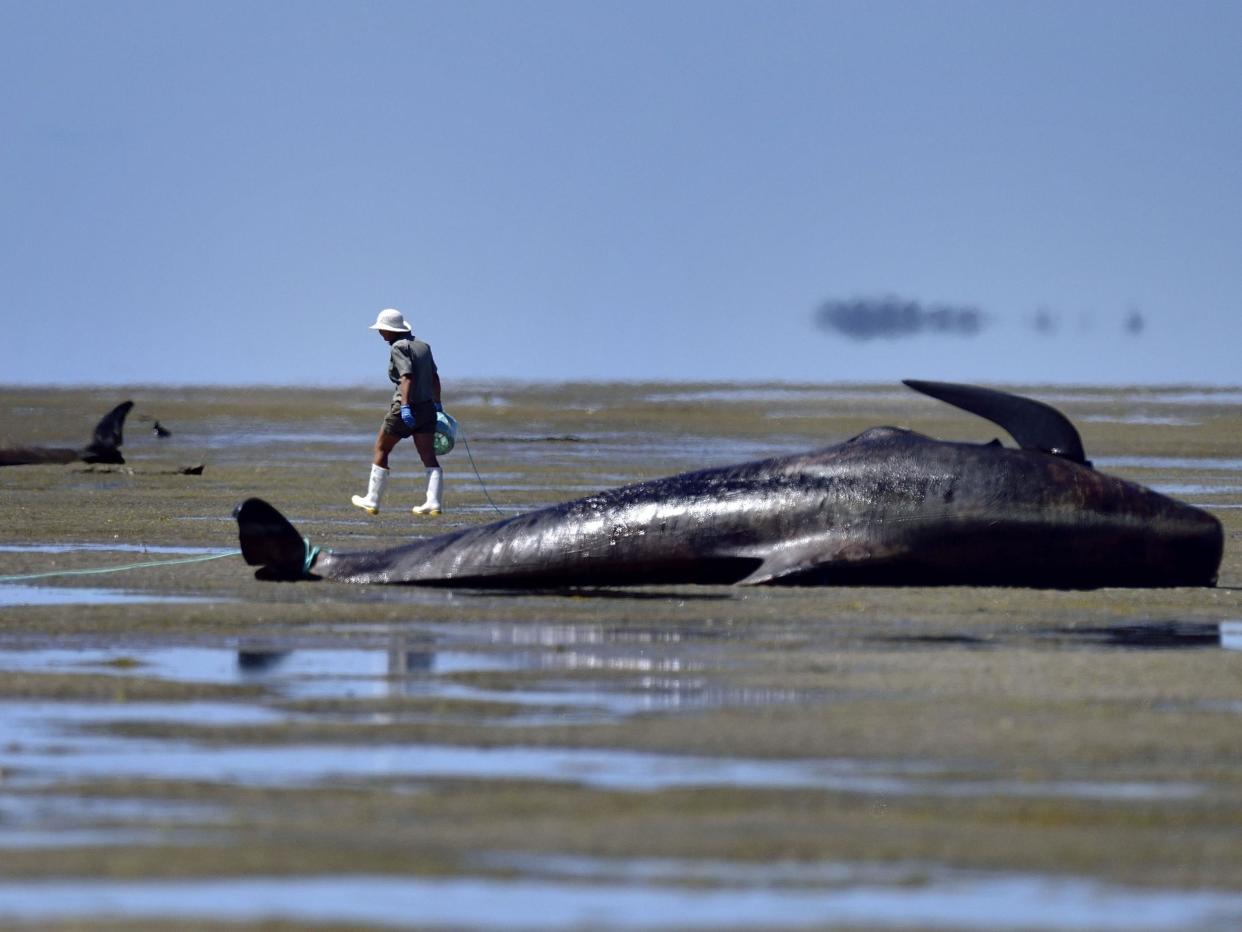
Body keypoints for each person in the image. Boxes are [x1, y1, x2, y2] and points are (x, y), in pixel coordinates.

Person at [350, 308, 445, 516]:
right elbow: (435, 378)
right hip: (427, 407)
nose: (380, 333)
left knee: (381, 448)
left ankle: (372, 500)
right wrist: (437, 405)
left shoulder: (398, 347)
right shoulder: (424, 346)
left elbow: (406, 377)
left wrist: (405, 405)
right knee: (428, 455)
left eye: (382, 329)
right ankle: (433, 502)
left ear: (391, 330)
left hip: (406, 406)